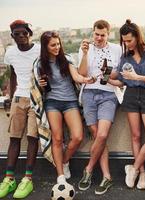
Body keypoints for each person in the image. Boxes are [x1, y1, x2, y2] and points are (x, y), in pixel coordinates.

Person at [35, 31, 93, 185]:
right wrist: (40, 85)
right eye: (53, 45)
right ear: (45, 47)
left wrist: (86, 79)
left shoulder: (66, 59)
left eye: (58, 44)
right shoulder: (40, 63)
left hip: (70, 102)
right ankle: (60, 175)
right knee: (58, 138)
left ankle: (64, 161)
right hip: (52, 102)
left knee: (78, 136)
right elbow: (37, 88)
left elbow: (77, 77)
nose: (57, 47)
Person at [109, 19, 145, 190]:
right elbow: (122, 82)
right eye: (124, 41)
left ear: (137, 37)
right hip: (130, 96)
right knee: (136, 136)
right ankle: (143, 173)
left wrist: (136, 77)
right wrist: (108, 79)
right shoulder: (124, 57)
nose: (127, 43)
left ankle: (134, 168)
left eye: (129, 40)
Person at [77, 19, 122, 195]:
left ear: (108, 34)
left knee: (102, 134)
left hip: (108, 93)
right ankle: (107, 176)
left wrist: (108, 73)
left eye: (103, 35)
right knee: (97, 136)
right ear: (93, 32)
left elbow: (120, 74)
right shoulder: (85, 48)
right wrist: (86, 53)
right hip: (89, 94)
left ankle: (88, 169)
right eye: (97, 34)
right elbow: (81, 73)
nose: (99, 38)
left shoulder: (117, 49)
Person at [0, 20, 40, 199]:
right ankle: (9, 179)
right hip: (18, 98)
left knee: (32, 138)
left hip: (36, 98)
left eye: (24, 33)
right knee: (14, 139)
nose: (22, 36)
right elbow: (13, 74)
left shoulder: (39, 49)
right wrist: (10, 97)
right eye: (17, 34)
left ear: (29, 33)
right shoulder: (10, 52)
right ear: (12, 36)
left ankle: (28, 179)